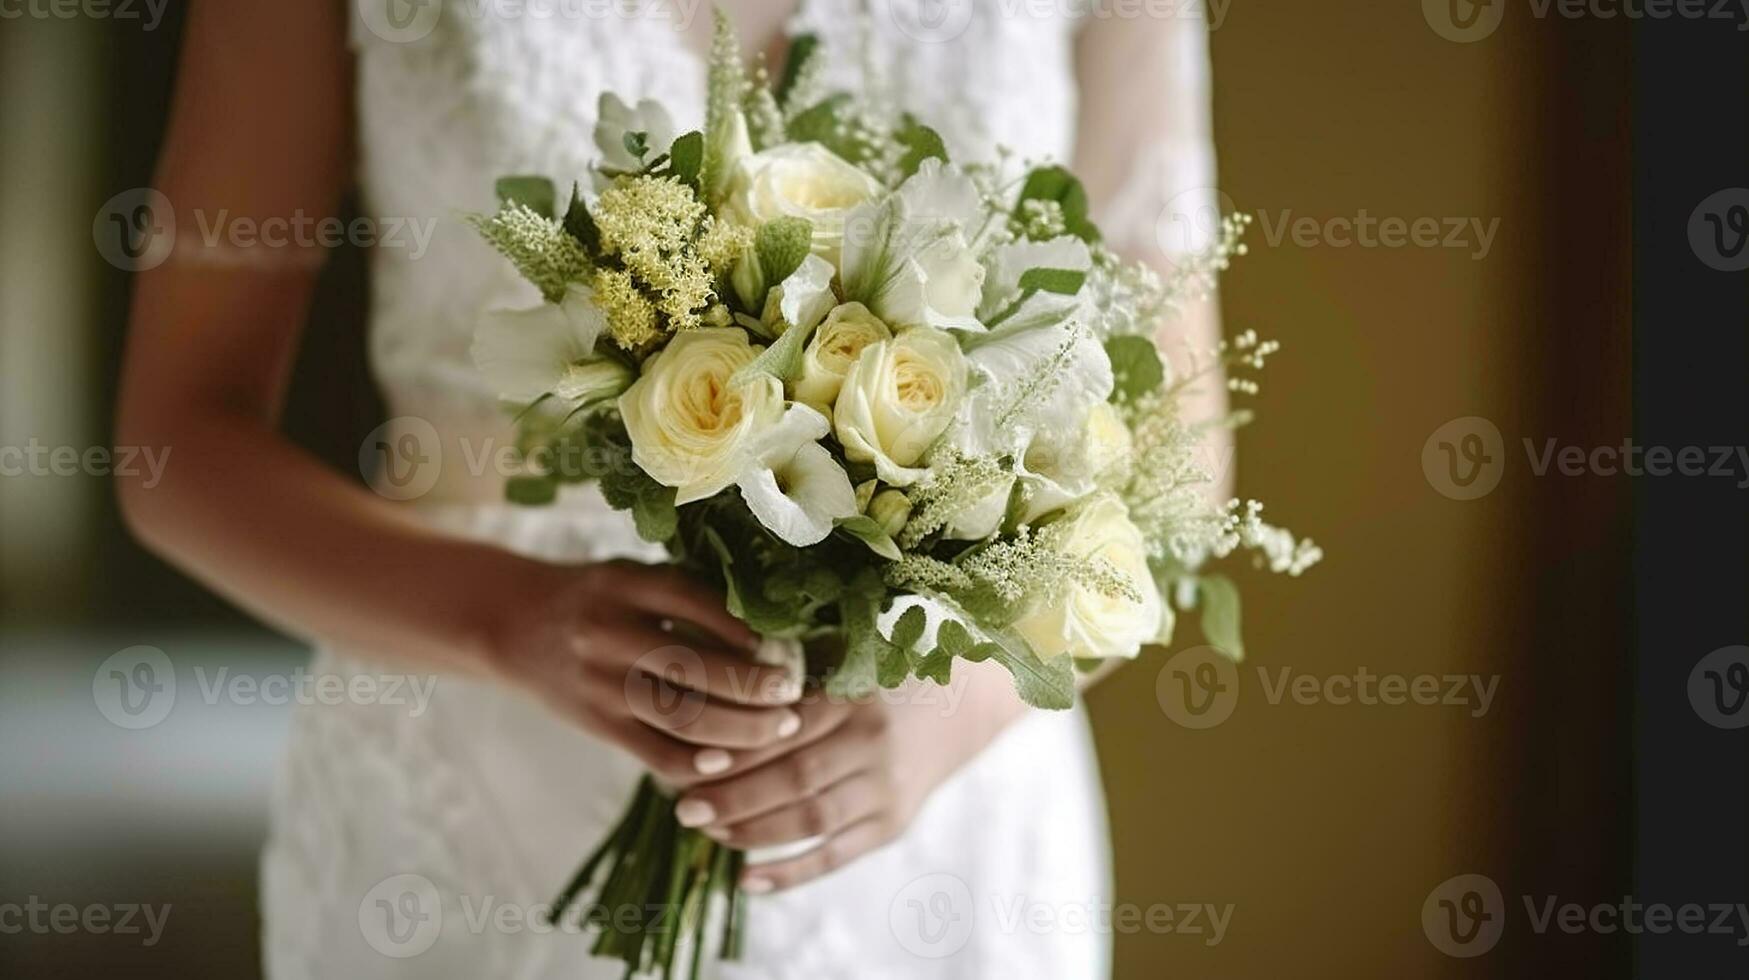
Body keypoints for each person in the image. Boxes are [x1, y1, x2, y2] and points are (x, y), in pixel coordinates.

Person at [115, 2, 1226, 976]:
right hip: (470, 765)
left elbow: (1182, 447)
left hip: (932, 803)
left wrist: (958, 704)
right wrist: (509, 620)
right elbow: (176, 445)